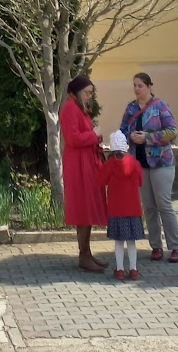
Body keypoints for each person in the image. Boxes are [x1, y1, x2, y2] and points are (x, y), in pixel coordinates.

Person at [122, 71, 178, 264]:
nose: (136, 89)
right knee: (148, 206)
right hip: (139, 163)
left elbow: (172, 131)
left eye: (140, 85)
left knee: (164, 204)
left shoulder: (160, 106)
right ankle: (156, 246)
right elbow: (123, 129)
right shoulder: (131, 108)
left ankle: (176, 247)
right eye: (134, 85)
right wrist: (128, 137)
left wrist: (147, 138)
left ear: (149, 87)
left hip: (161, 163)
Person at [60, 74, 107, 274]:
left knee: (87, 208)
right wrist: (94, 135)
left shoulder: (79, 108)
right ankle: (84, 256)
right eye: (87, 93)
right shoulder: (70, 108)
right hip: (78, 165)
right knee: (83, 208)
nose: (89, 96)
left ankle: (86, 253)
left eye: (91, 93)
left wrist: (96, 137)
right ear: (78, 92)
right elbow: (72, 138)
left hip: (86, 163)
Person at [100, 130, 145, 280]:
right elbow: (140, 181)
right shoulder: (135, 163)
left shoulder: (110, 164)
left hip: (115, 210)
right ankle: (133, 269)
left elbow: (101, 181)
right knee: (131, 242)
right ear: (125, 146)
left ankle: (119, 269)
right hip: (133, 209)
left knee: (119, 241)